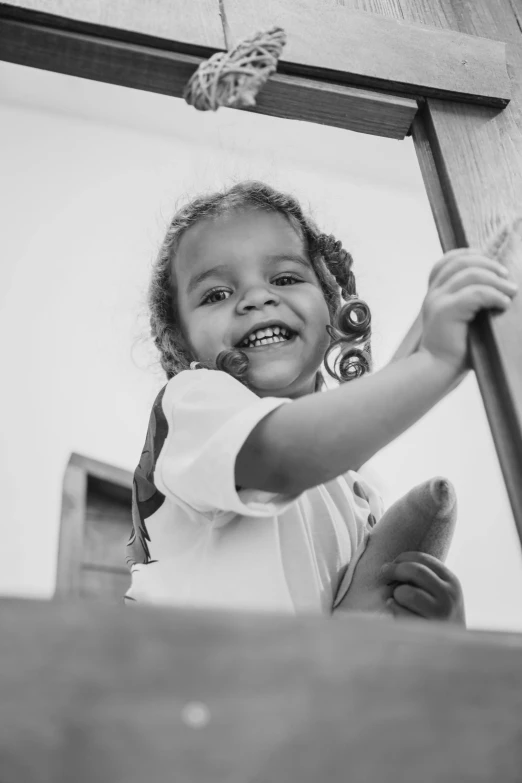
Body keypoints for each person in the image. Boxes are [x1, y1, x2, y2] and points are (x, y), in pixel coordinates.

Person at [124, 181, 517, 622]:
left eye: (286, 278)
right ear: (182, 342)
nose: (257, 298)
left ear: (331, 306)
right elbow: (284, 454)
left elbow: (355, 628)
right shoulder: (192, 404)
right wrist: (437, 361)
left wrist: (435, 630)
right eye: (216, 294)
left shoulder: (358, 491)